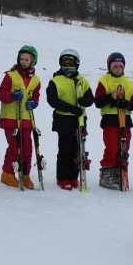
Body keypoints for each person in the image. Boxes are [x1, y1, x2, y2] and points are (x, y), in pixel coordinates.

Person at [46, 49, 94, 191]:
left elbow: (91, 98)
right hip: (63, 119)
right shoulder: (56, 80)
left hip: (79, 120)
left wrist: (84, 101)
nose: (68, 65)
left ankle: (73, 176)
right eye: (65, 62)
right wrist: (71, 108)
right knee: (65, 150)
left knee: (77, 150)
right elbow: (52, 100)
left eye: (71, 62)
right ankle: (62, 178)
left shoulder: (82, 80)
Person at [0, 45, 41, 189]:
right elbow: (1, 94)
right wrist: (12, 96)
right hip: (11, 117)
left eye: (27, 59)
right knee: (15, 146)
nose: (23, 61)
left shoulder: (36, 80)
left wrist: (34, 103)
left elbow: (36, 97)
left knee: (27, 147)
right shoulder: (11, 75)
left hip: (27, 119)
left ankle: (25, 173)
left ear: (32, 61)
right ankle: (7, 174)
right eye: (21, 58)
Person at [93, 51, 133, 190]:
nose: (118, 68)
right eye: (115, 66)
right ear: (109, 67)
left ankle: (119, 171)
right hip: (110, 119)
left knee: (124, 147)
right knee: (112, 147)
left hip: (125, 120)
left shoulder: (128, 83)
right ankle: (107, 174)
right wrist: (110, 99)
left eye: (120, 66)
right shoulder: (104, 80)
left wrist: (127, 104)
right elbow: (98, 102)